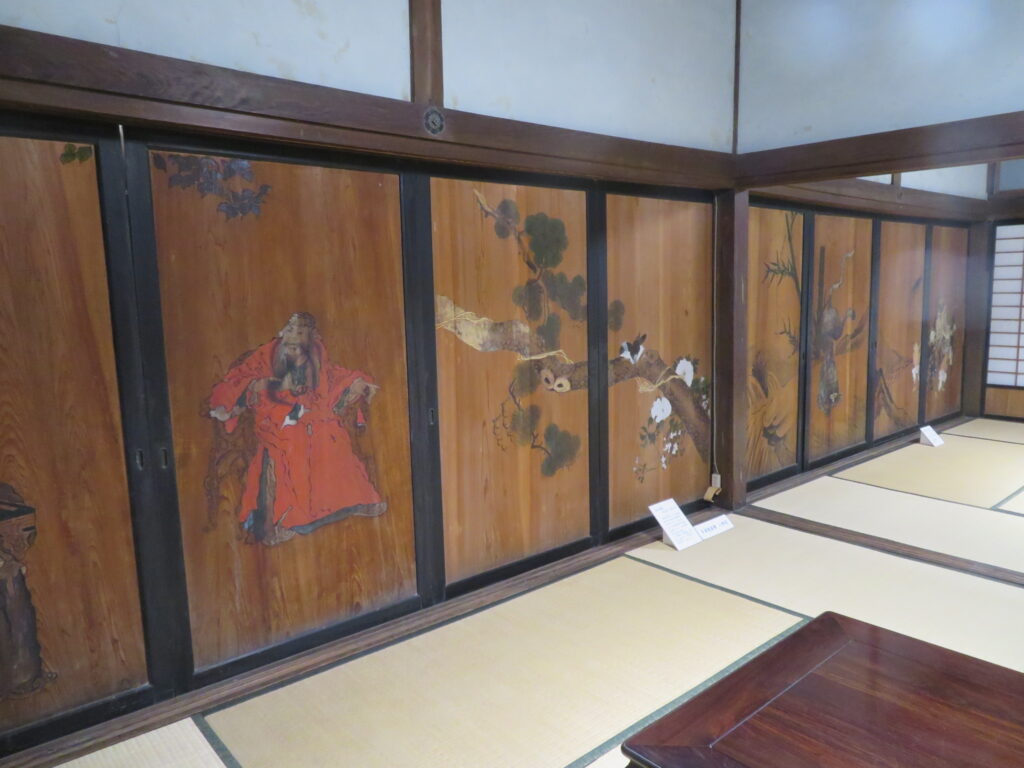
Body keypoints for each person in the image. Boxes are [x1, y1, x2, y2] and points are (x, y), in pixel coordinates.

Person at [208, 313, 386, 545]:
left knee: (331, 435)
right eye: (291, 330)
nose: (294, 336)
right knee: (292, 445)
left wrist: (355, 382)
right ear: (283, 332)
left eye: (300, 332)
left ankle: (350, 503)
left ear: (310, 337)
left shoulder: (316, 353)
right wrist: (272, 386)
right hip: (275, 415)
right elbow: (242, 380)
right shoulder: (267, 355)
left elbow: (330, 375)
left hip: (311, 412)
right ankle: (288, 519)